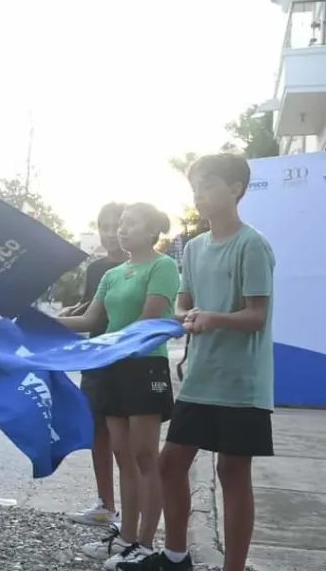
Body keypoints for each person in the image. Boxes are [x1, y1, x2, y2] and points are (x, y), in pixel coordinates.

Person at [120, 154, 275, 571]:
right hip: (200, 378)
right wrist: (183, 317)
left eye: (207, 185)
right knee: (170, 464)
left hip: (242, 383)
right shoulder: (194, 248)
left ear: (235, 189)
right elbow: (184, 304)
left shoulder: (252, 245)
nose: (199, 194)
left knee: (232, 471)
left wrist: (212, 318)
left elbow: (256, 314)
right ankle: (175, 556)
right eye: (195, 188)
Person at [56, 202, 179, 569]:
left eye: (131, 224)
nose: (122, 230)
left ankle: (146, 542)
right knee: (123, 456)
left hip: (144, 368)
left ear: (152, 231)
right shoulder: (112, 274)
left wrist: (106, 345)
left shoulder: (163, 266)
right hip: (111, 367)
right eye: (120, 224)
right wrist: (40, 325)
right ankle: (126, 537)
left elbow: (147, 322)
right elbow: (93, 319)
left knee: (145, 457)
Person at [63, 201, 127, 528]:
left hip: (127, 360)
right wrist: (61, 318)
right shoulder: (96, 268)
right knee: (97, 432)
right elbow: (91, 308)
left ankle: (130, 513)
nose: (111, 233)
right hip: (95, 357)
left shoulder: (143, 266)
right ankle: (106, 504)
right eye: (105, 226)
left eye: (118, 225)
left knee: (122, 439)